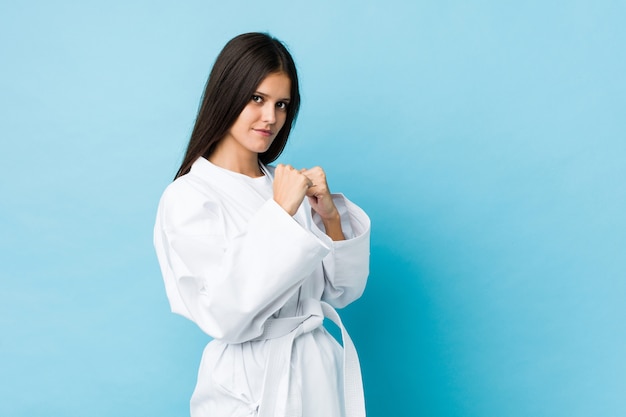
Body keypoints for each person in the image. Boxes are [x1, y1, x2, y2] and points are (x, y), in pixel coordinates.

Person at [153, 32, 371, 417]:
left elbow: (342, 292)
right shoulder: (189, 196)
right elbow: (224, 314)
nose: (271, 118)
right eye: (257, 99)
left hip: (317, 368)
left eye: (282, 104)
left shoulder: (283, 185)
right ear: (227, 94)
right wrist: (279, 214)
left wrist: (330, 217)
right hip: (250, 383)